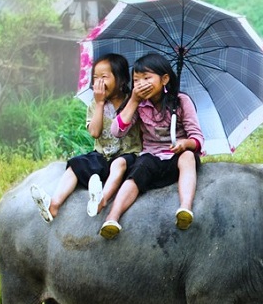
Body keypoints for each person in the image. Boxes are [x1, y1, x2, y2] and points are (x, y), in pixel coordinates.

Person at [99, 52, 204, 239]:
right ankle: (112, 217)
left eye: (147, 78)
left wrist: (184, 144)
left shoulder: (181, 101)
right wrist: (133, 100)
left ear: (164, 79)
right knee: (139, 168)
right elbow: (117, 131)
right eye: (136, 80)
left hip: (177, 157)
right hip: (152, 157)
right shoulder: (139, 105)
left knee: (188, 157)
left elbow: (197, 138)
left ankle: (185, 208)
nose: (141, 84)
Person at [30, 53, 142, 223]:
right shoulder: (94, 104)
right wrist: (99, 104)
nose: (99, 82)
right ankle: (53, 205)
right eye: (95, 77)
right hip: (102, 155)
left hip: (127, 156)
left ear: (121, 80)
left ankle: (100, 200)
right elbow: (95, 133)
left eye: (104, 77)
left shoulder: (132, 102)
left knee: (119, 163)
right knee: (77, 164)